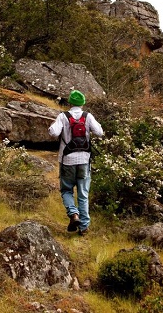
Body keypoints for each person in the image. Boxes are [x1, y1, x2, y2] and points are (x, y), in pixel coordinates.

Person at [48, 90, 104, 235]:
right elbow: (99, 132)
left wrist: (52, 127)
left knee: (66, 190)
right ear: (82, 103)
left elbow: (53, 132)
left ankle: (74, 214)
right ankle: (84, 228)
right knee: (83, 193)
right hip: (84, 160)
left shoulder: (63, 116)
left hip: (67, 160)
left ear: (70, 102)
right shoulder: (88, 116)